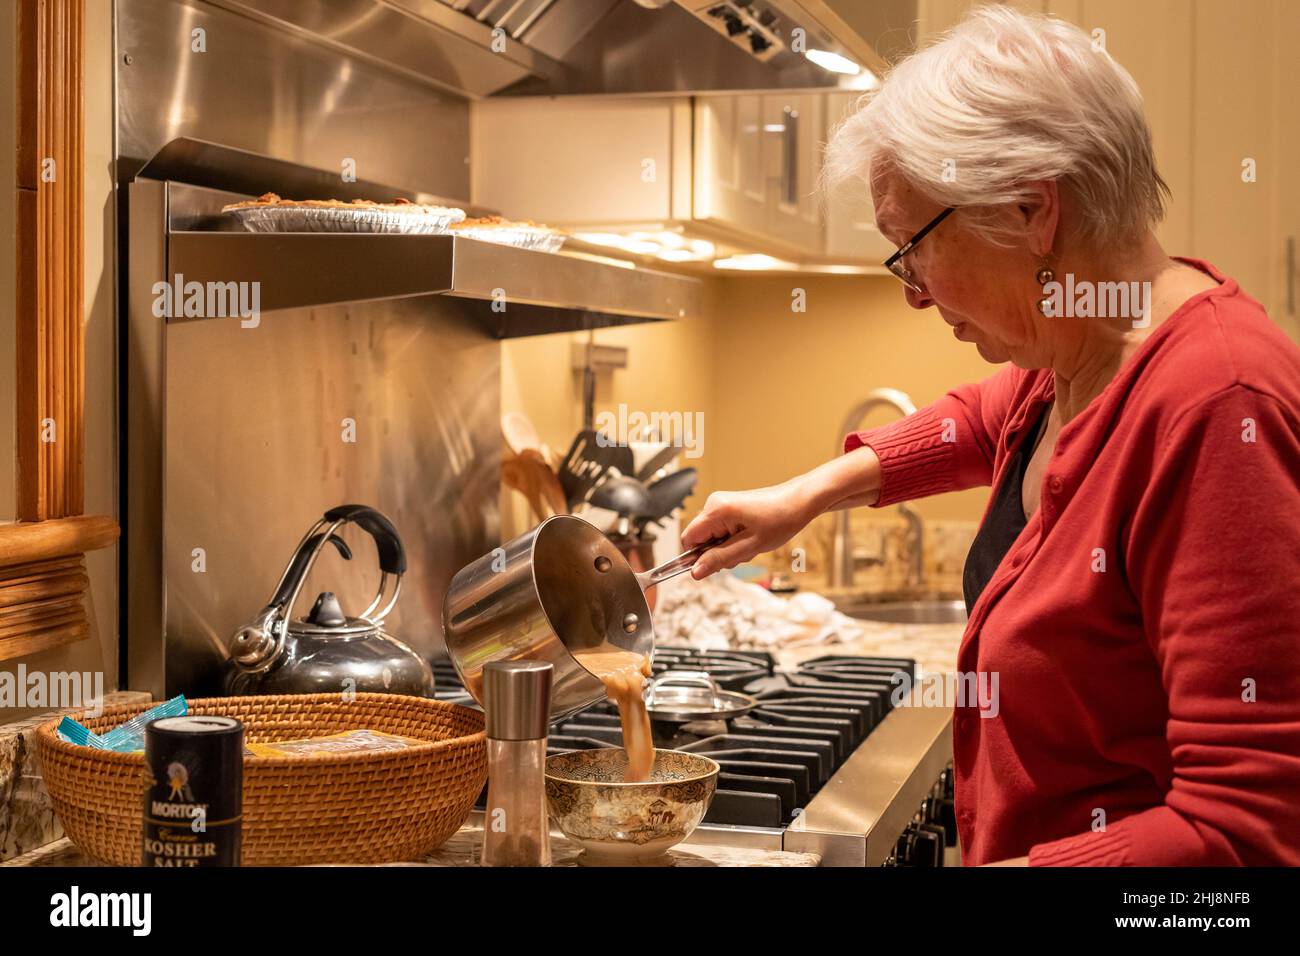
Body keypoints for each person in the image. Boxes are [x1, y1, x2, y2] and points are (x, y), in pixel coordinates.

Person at [682, 6, 1300, 866]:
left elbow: (1247, 832)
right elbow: (984, 419)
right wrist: (806, 495)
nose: (914, 293)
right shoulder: (1081, 343)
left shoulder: (1218, 409)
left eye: (913, 248)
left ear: (1030, 208)